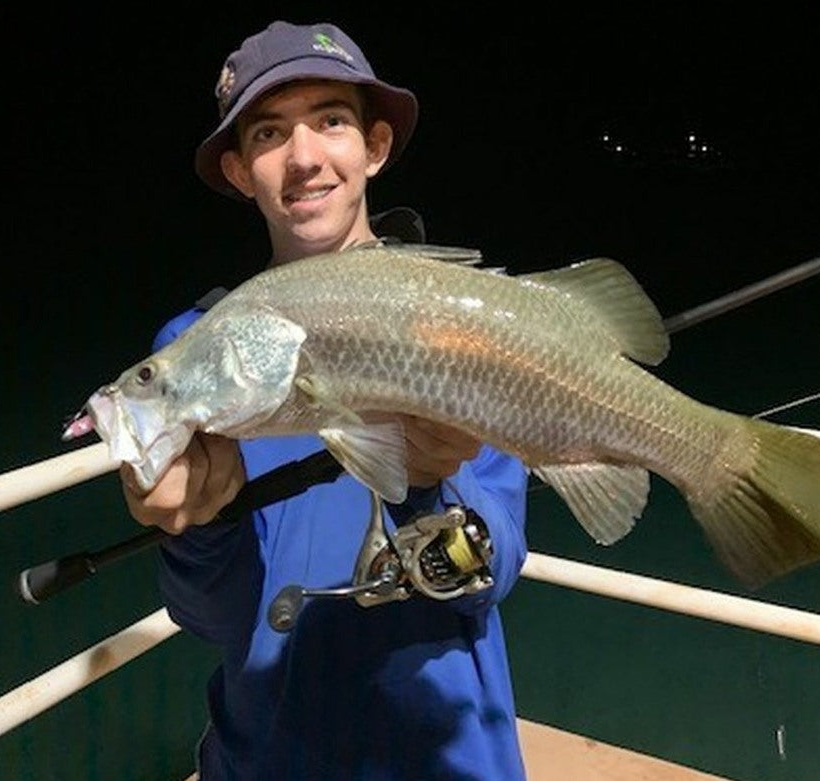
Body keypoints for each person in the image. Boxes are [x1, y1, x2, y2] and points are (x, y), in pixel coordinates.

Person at [120, 20, 530, 781]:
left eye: (331, 120)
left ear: (375, 146)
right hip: (271, 754)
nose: (304, 156)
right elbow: (213, 617)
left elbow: (495, 571)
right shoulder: (199, 348)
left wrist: (433, 490)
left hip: (444, 756)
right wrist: (199, 526)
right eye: (269, 132)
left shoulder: (459, 318)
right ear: (241, 170)